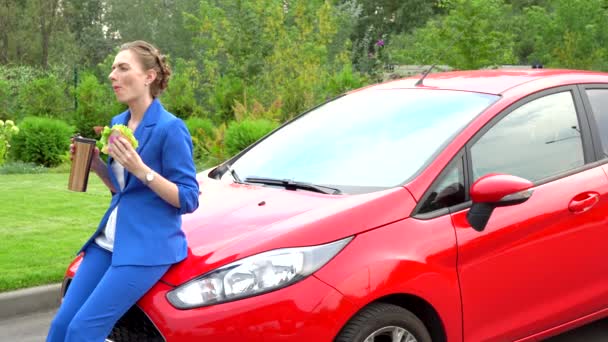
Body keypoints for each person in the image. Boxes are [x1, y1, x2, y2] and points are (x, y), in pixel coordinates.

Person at [46, 40, 199, 342]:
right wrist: (95, 165)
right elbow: (123, 190)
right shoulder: (118, 123)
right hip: (108, 242)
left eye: (123, 68)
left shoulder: (171, 128)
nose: (112, 75)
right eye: (113, 68)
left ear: (149, 76)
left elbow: (188, 198)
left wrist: (141, 168)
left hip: (146, 248)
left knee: (82, 331)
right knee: (61, 327)